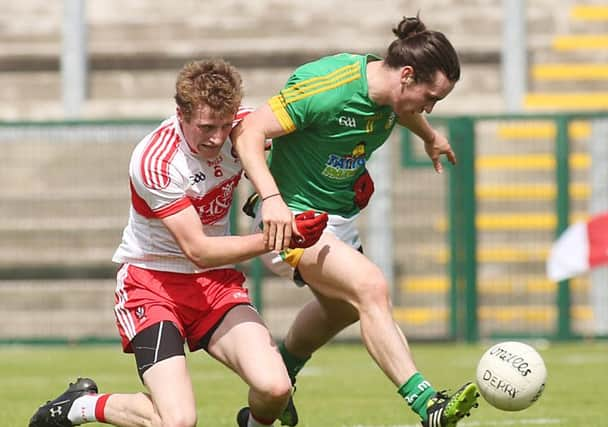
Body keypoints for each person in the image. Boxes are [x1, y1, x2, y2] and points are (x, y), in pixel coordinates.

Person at [28, 58, 328, 427]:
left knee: (276, 389)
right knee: (178, 421)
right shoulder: (157, 160)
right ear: (181, 114)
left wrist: (343, 185)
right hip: (152, 285)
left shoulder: (244, 129)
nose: (217, 138)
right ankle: (80, 406)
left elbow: (311, 136)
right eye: (205, 127)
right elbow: (198, 251)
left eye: (224, 125)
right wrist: (278, 237)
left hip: (213, 286)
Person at [232, 14, 478, 427]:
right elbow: (248, 133)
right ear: (406, 75)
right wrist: (272, 200)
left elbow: (403, 110)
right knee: (371, 287)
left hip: (336, 219)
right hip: (288, 218)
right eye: (429, 97)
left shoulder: (391, 96)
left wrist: (429, 135)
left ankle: (275, 390)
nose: (429, 108)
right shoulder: (329, 87)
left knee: (343, 310)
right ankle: (428, 405)